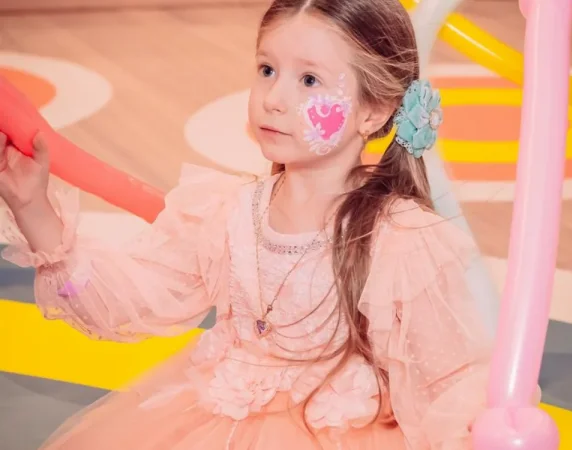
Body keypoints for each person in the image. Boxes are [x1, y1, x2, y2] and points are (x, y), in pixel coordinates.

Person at [0, 0, 494, 448]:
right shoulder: (224, 213)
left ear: (374, 111)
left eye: (309, 80)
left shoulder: (398, 240)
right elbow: (118, 303)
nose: (273, 98)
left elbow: (447, 385)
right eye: (267, 69)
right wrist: (33, 211)